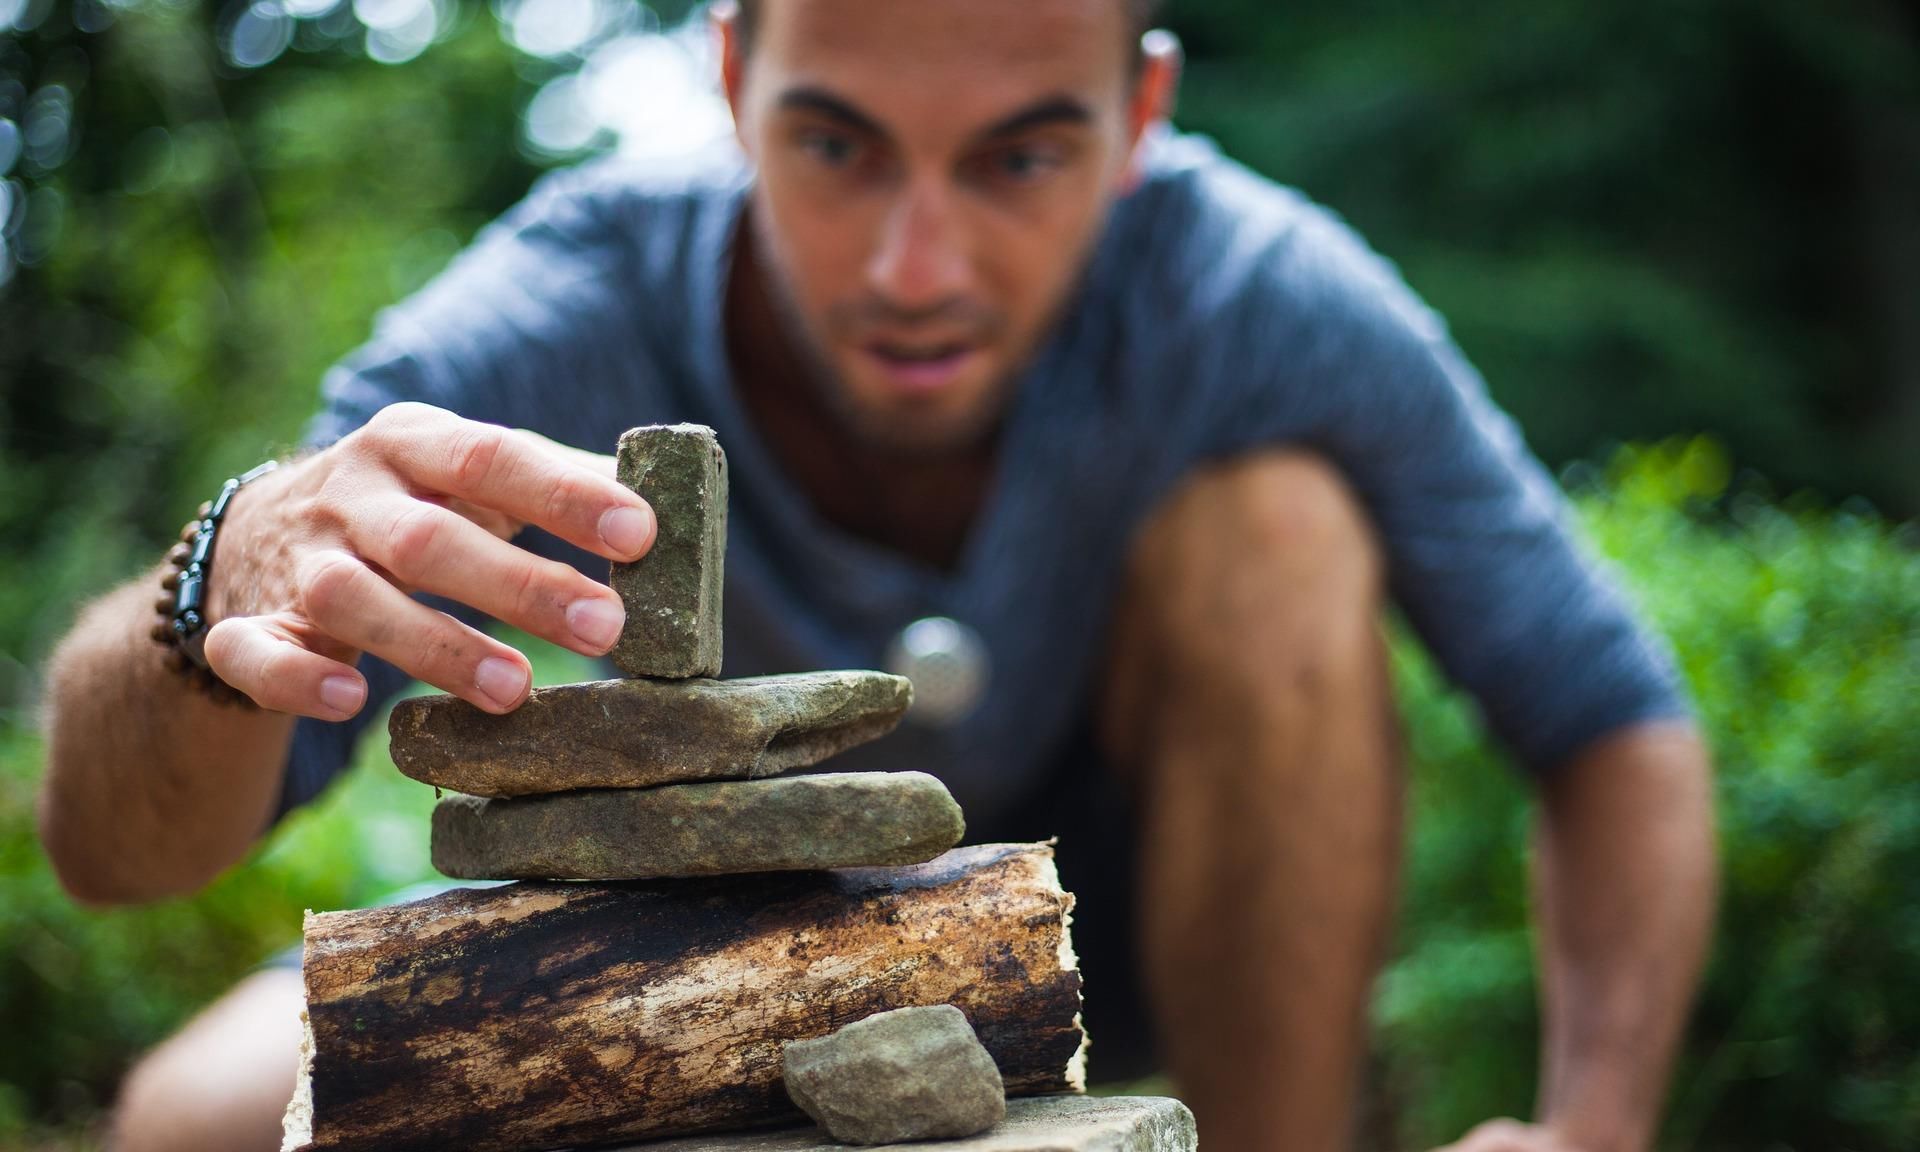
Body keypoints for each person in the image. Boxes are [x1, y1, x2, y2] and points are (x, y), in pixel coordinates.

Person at [37, 2, 1717, 1150]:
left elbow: (1609, 716)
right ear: (730, 82)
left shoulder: (1256, 296)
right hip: (660, 955)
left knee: (1278, 535)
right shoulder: (560, 313)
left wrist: (1591, 1126)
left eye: (1017, 158)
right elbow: (117, 854)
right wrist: (214, 586)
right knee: (191, 1120)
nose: (919, 268)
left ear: (1140, 116)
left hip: (1126, 938)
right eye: (837, 147)